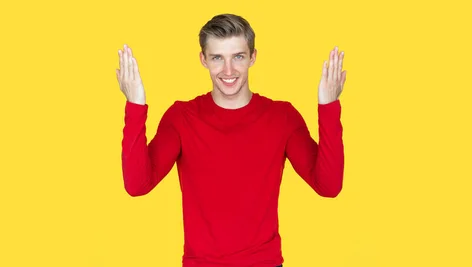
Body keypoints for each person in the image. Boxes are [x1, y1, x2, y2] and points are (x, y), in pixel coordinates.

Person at [116, 13, 346, 267]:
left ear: (253, 57)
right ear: (203, 59)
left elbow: (329, 186)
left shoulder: (282, 117)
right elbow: (137, 185)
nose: (228, 70)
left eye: (238, 56)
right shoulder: (182, 118)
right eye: (217, 58)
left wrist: (329, 106)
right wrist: (135, 104)